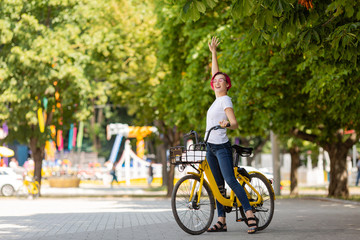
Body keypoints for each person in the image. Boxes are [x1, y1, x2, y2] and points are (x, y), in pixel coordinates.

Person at [205, 36, 258, 234]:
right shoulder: (215, 100)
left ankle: (250, 214)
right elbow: (215, 72)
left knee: (230, 181)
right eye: (215, 81)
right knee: (218, 186)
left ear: (227, 85)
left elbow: (234, 123)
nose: (217, 82)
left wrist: (227, 123)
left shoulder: (226, 100)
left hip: (221, 148)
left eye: (221, 81)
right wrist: (213, 53)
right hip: (210, 147)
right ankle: (221, 221)